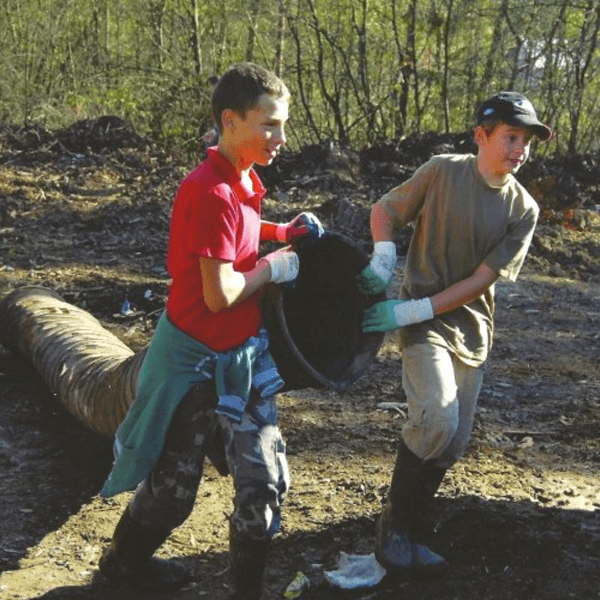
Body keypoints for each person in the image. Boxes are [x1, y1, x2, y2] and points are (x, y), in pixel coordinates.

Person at [97, 62, 323, 600]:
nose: (281, 138)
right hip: (190, 361)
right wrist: (275, 267)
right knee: (173, 492)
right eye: (269, 125)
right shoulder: (209, 191)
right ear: (230, 120)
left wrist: (282, 231)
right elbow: (221, 293)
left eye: (283, 124)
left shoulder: (242, 177)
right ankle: (120, 568)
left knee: (262, 481)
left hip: (241, 356)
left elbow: (241, 231)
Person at [358, 91, 552, 574]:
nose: (519, 150)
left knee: (454, 440)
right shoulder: (442, 171)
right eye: (511, 137)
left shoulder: (523, 209)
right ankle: (394, 527)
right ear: (481, 135)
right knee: (435, 420)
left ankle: (417, 525)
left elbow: (481, 281)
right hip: (425, 330)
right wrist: (384, 256)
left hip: (471, 328)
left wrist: (412, 309)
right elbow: (385, 211)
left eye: (527, 141)